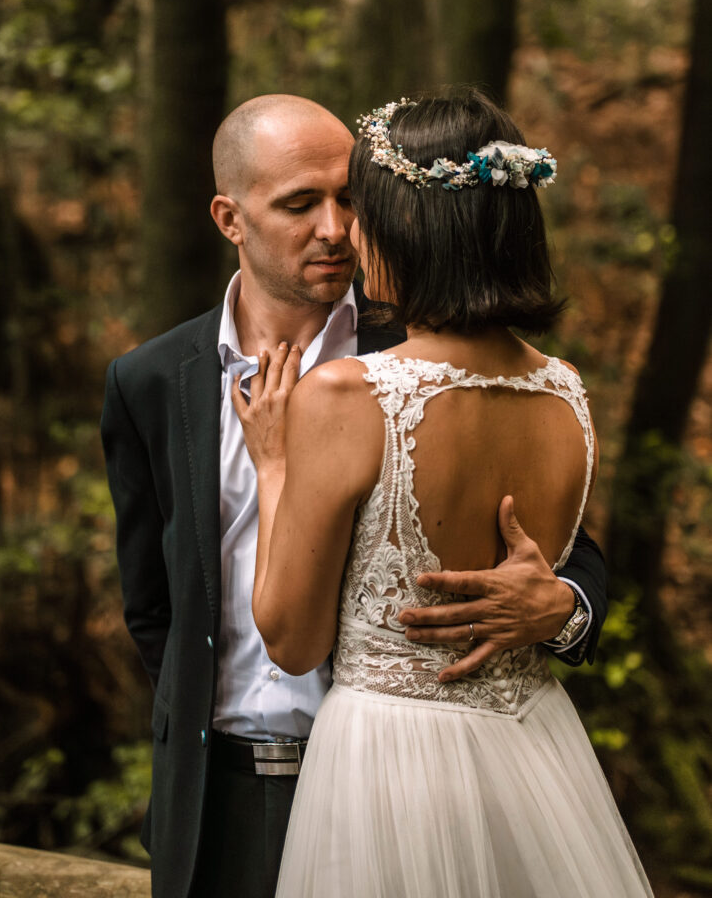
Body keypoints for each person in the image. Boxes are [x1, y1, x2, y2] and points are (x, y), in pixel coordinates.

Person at [101, 94, 610, 898]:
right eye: (300, 204)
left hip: (389, 778)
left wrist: (562, 609)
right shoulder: (150, 381)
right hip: (214, 795)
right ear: (230, 218)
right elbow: (153, 601)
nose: (335, 229)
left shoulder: (433, 351)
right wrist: (198, 734)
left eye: (351, 199)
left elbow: (564, 554)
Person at [235, 91, 653, 897]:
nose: (348, 233)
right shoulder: (565, 392)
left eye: (363, 211)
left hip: (388, 766)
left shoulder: (345, 396)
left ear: (404, 230)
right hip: (534, 755)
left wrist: (275, 465)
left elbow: (289, 641)